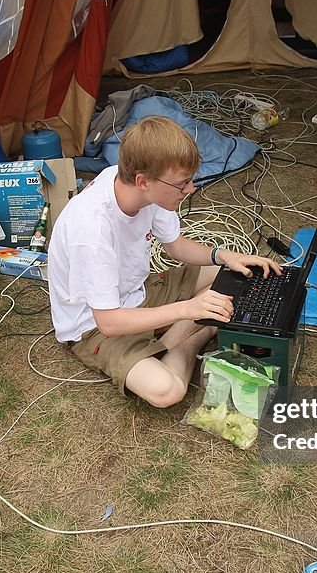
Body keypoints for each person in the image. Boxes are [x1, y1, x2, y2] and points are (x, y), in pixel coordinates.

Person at [48, 116, 281, 408]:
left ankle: (182, 330)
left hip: (138, 291)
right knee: (166, 391)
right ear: (143, 181)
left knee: (231, 274)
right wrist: (188, 309)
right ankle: (198, 330)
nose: (191, 189)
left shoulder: (137, 187)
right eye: (182, 184)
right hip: (93, 324)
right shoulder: (92, 228)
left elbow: (176, 246)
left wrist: (223, 256)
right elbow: (107, 322)